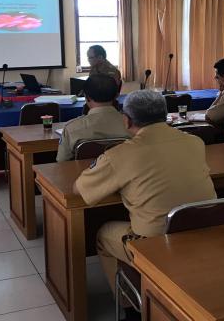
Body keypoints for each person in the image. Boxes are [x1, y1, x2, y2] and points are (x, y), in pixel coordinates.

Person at [74, 90, 215, 293]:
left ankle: (129, 304)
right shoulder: (195, 142)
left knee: (103, 234)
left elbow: (78, 190)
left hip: (156, 243)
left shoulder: (120, 154)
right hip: (204, 232)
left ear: (127, 121)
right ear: (165, 115)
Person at [57, 75, 130, 161]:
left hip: (84, 173)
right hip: (124, 173)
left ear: (86, 97)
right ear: (117, 96)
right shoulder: (132, 125)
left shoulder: (71, 128)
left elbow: (62, 162)